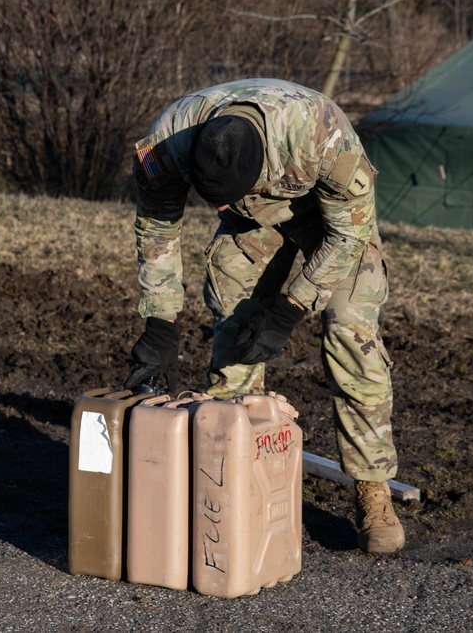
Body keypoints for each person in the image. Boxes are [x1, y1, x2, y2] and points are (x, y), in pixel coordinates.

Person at [124, 78, 405, 554]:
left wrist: (290, 308)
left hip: (335, 226)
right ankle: (228, 465)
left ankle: (372, 489)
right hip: (252, 221)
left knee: (349, 331)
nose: (212, 207)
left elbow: (347, 237)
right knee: (235, 308)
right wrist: (160, 321)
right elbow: (156, 225)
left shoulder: (322, 136)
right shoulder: (170, 139)